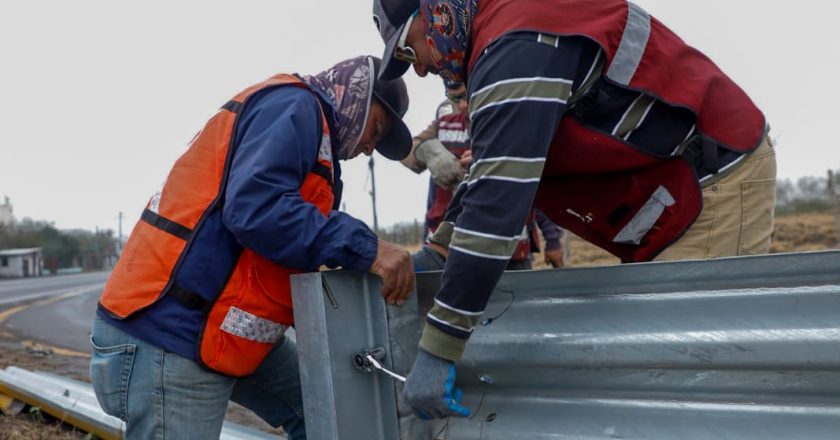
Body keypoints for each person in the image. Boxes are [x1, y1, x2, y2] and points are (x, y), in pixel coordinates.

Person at [372, 0, 777, 419]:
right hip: (660, 188)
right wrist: (438, 253)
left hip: (709, 178)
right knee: (661, 372)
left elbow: (498, 202)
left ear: (432, 10)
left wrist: (438, 348)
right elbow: (497, 169)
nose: (418, 68)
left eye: (406, 50)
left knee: (687, 382)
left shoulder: (515, 43)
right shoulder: (503, 31)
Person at [89, 56, 415, 439]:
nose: (368, 148)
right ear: (355, 96)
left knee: (333, 415)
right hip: (169, 332)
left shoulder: (318, 148)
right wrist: (367, 247)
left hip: (221, 328)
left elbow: (287, 246)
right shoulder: (296, 107)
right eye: (375, 130)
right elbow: (257, 209)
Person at [405, 79, 566, 270]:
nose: (462, 105)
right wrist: (429, 152)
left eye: (466, 96)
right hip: (448, 248)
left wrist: (553, 239)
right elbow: (405, 149)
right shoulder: (443, 127)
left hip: (507, 250)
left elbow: (532, 184)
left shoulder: (509, 126)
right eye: (454, 98)